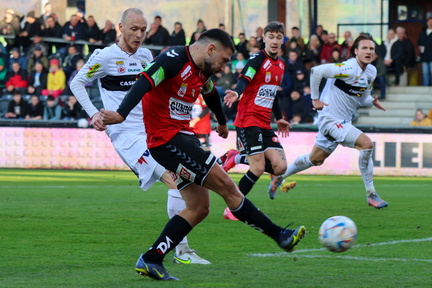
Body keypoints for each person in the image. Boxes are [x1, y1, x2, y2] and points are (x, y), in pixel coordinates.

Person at [100, 27, 305, 281]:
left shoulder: (201, 72)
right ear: (210, 49)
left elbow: (210, 94)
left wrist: (221, 121)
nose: (223, 67)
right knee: (228, 187)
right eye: (224, 60)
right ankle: (280, 236)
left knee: (199, 208)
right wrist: (120, 113)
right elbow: (145, 81)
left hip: (181, 140)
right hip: (168, 141)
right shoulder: (173, 59)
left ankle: (151, 258)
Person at [70, 8, 212, 267]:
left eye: (143, 30)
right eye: (133, 29)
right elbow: (77, 83)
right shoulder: (105, 58)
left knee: (182, 179)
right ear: (121, 27)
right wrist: (93, 114)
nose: (138, 35)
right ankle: (180, 250)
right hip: (126, 136)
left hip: (151, 131)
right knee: (174, 179)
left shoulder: (146, 56)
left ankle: (180, 250)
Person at [267, 34, 389, 209]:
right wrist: (315, 99)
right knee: (367, 144)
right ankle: (371, 194)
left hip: (342, 122)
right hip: (330, 120)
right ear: (355, 51)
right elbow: (317, 71)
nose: (368, 51)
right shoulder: (347, 67)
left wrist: (372, 101)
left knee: (315, 159)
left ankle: (278, 177)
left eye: (371, 49)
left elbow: (362, 97)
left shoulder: (371, 71)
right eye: (364, 48)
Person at [222, 22, 296, 204]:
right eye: (271, 37)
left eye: (279, 37)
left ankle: (237, 157)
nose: (275, 41)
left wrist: (279, 118)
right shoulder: (256, 60)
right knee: (258, 167)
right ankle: (234, 207)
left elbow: (273, 92)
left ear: (283, 40)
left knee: (280, 167)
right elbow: (244, 80)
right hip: (248, 120)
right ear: (264, 39)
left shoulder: (281, 65)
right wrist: (237, 93)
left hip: (265, 123)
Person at [418, 17, 432, 86]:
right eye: (429, 22)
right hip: (424, 56)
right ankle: (425, 86)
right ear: (427, 23)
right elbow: (419, 43)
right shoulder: (423, 33)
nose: (430, 23)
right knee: (425, 72)